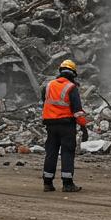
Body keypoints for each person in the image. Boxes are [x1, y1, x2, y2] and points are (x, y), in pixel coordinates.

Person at [41, 59, 89, 193]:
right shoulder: (71, 87)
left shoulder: (49, 85)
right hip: (66, 125)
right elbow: (78, 111)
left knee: (51, 153)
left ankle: (47, 183)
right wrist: (84, 128)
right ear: (73, 74)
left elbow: (44, 100)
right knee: (67, 152)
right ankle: (67, 184)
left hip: (50, 124)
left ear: (60, 71)